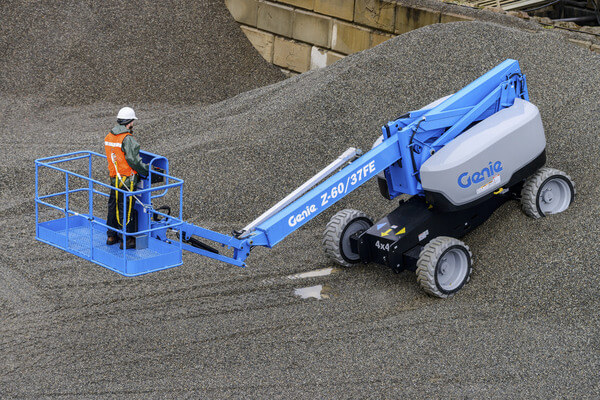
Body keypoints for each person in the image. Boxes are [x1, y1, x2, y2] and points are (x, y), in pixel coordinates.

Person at [104, 107, 149, 249]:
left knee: (113, 205)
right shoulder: (127, 139)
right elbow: (133, 160)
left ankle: (111, 236)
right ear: (129, 122)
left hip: (114, 178)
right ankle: (126, 239)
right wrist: (146, 171)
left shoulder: (109, 136)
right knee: (126, 207)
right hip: (127, 179)